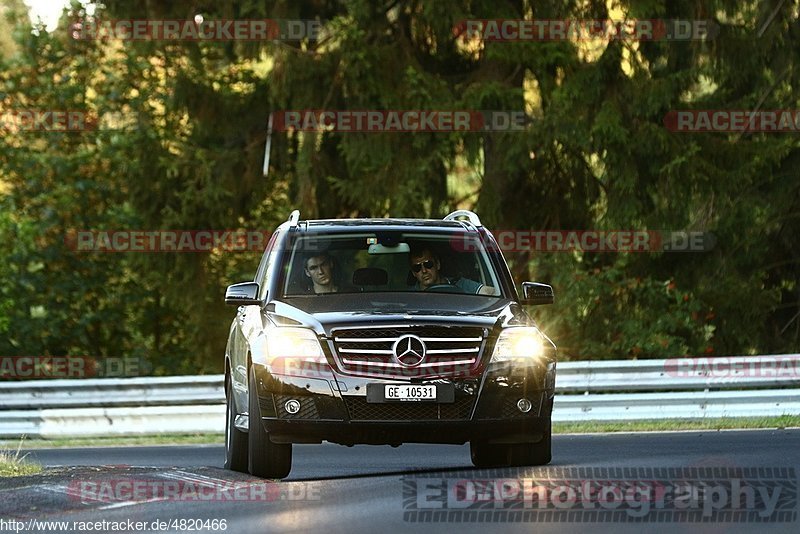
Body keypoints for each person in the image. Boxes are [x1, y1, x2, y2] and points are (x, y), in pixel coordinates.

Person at [409, 247, 495, 295]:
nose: (424, 270)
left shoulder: (459, 284)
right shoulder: (409, 296)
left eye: (428, 264)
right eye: (417, 268)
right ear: (413, 273)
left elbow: (491, 292)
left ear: (437, 264)